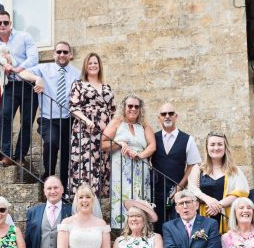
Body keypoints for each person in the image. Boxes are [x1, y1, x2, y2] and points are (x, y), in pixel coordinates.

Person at [19, 42, 80, 185]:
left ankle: (65, 186)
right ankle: (49, 176)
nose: (62, 55)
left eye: (65, 52)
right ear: (54, 54)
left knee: (66, 153)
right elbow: (21, 73)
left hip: (68, 119)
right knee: (51, 142)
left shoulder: (77, 73)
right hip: (48, 118)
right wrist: (37, 79)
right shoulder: (43, 68)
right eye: (59, 52)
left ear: (70, 55)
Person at [102, 94, 156, 229]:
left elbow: (152, 146)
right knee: (122, 197)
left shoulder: (144, 126)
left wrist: (140, 155)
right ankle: (121, 230)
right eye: (130, 106)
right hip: (121, 169)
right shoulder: (117, 123)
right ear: (124, 107)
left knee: (140, 196)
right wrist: (119, 143)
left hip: (140, 169)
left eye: (136, 106)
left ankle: (142, 228)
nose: (133, 109)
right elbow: (103, 145)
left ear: (140, 109)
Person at [67, 52, 116, 200]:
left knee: (102, 163)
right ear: (85, 67)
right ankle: (85, 198)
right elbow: (73, 107)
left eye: (95, 63)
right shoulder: (79, 84)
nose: (93, 66)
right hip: (85, 131)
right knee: (86, 164)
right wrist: (86, 120)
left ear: (99, 66)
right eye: (90, 63)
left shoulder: (106, 86)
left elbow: (113, 110)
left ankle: (101, 198)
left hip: (105, 131)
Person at [0, 10, 39, 167]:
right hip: (9, 85)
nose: (3, 25)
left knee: (27, 121)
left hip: (28, 84)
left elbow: (34, 58)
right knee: (4, 116)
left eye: (5, 22)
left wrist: (17, 68)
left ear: (10, 23)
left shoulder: (24, 37)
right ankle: (6, 155)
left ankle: (20, 156)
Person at [150, 102, 201, 231]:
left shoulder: (187, 139)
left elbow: (192, 165)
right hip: (156, 192)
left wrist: (180, 187)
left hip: (178, 193)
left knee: (178, 227)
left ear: (176, 116)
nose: (167, 116)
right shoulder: (152, 138)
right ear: (159, 118)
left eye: (170, 113)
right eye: (163, 114)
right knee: (158, 227)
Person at [188, 130, 248, 234]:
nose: (216, 148)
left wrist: (218, 205)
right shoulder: (198, 169)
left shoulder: (234, 170)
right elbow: (192, 190)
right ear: (207, 148)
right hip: (203, 216)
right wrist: (208, 199)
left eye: (220, 144)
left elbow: (241, 192)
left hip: (228, 218)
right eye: (212, 144)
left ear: (225, 148)